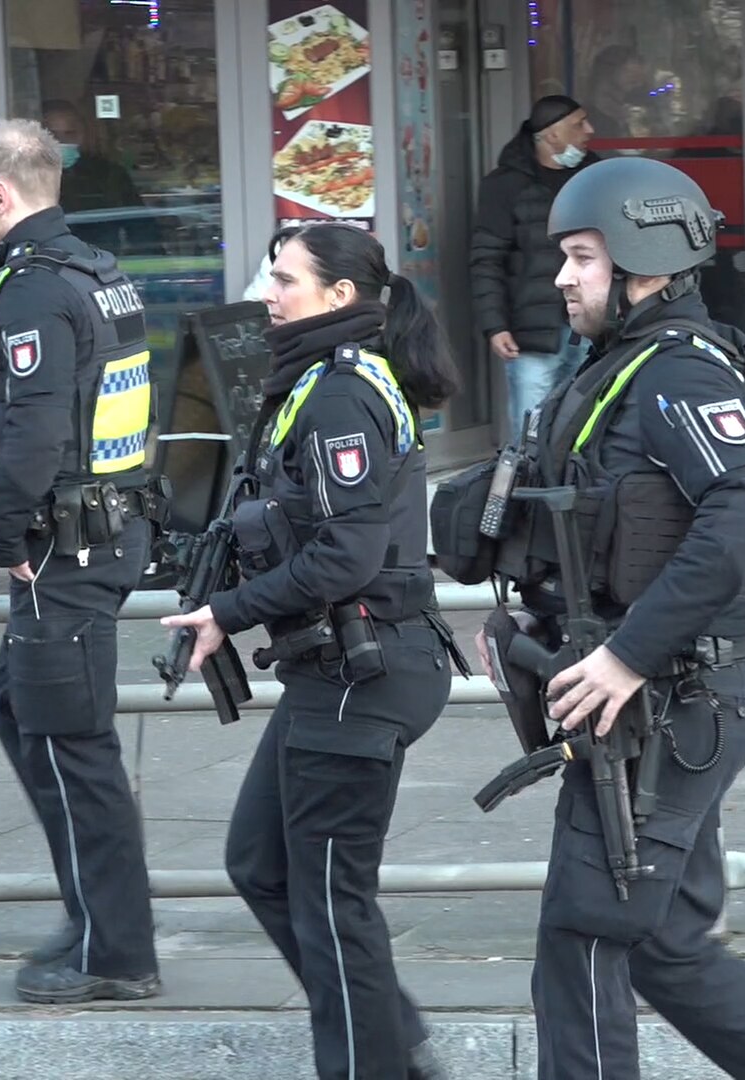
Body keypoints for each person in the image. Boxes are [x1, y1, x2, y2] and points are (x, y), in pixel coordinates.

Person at [467, 154, 745, 1080]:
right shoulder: (619, 369)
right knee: (663, 948)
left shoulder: (678, 374)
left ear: (645, 265)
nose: (562, 276)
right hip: (667, 699)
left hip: (674, 701)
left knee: (584, 942)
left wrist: (625, 657)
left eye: (582, 257)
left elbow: (744, 512)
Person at [159, 223, 464, 1080]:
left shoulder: (339, 396)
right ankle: (391, 1037)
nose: (268, 293)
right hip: (335, 669)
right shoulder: (320, 381)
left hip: (366, 671)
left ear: (338, 297)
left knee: (333, 903)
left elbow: (349, 555)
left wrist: (229, 608)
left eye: (284, 280)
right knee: (258, 863)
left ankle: (374, 1061)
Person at [0, 118, 166, 1002]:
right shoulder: (96, 270)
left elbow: (38, 432)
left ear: (2, 192)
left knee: (72, 742)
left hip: (63, 549)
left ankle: (115, 952)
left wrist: (4, 539)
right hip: (100, 532)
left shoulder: (37, 288)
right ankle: (94, 916)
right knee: (18, 708)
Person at [471, 95, 599, 430]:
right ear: (552, 135)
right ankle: (529, 483)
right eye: (578, 124)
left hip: (591, 323)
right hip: (532, 330)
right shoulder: (505, 185)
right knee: (530, 429)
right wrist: (495, 325)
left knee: (585, 424)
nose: (589, 130)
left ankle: (577, 483)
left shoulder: (595, 175)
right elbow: (487, 260)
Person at [41, 100, 141, 213]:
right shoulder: (27, 176)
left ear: (82, 134)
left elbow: (140, 225)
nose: (61, 141)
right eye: (52, 134)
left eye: (70, 133)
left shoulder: (109, 174)